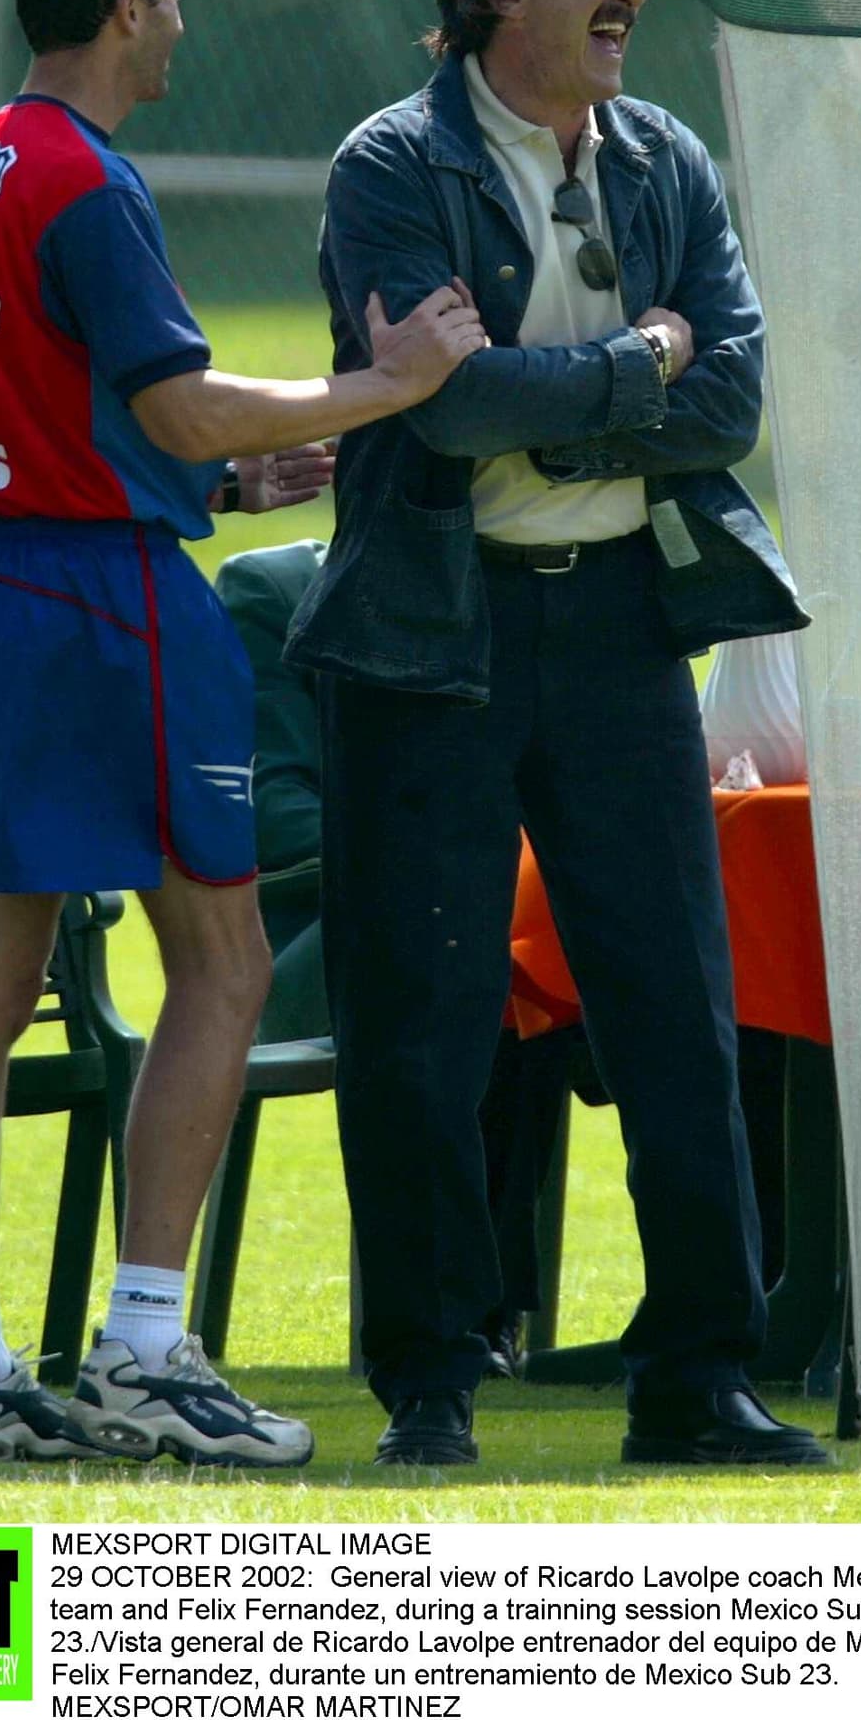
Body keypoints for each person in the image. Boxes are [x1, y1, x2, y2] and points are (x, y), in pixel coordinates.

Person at [0, 0, 486, 1469]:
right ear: (123, 8)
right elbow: (184, 406)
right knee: (223, 961)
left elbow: (67, 413)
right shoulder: (85, 178)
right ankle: (146, 1352)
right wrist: (387, 383)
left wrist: (214, 489)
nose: (181, 20)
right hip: (102, 605)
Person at [286, 0, 829, 1467]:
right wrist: (638, 359)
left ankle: (702, 1380)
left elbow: (732, 398)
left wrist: (581, 390)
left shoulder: (666, 159)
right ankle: (433, 1386)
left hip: (619, 631)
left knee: (678, 1008)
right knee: (426, 1024)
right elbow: (448, 406)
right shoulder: (393, 164)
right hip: (430, 638)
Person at [217, 539, 600, 1376]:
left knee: (739, 961)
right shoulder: (273, 589)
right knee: (476, 947)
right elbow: (270, 807)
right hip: (330, 935)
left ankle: (770, 1298)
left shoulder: (549, 588)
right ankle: (472, 1315)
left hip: (523, 918)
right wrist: (441, 848)